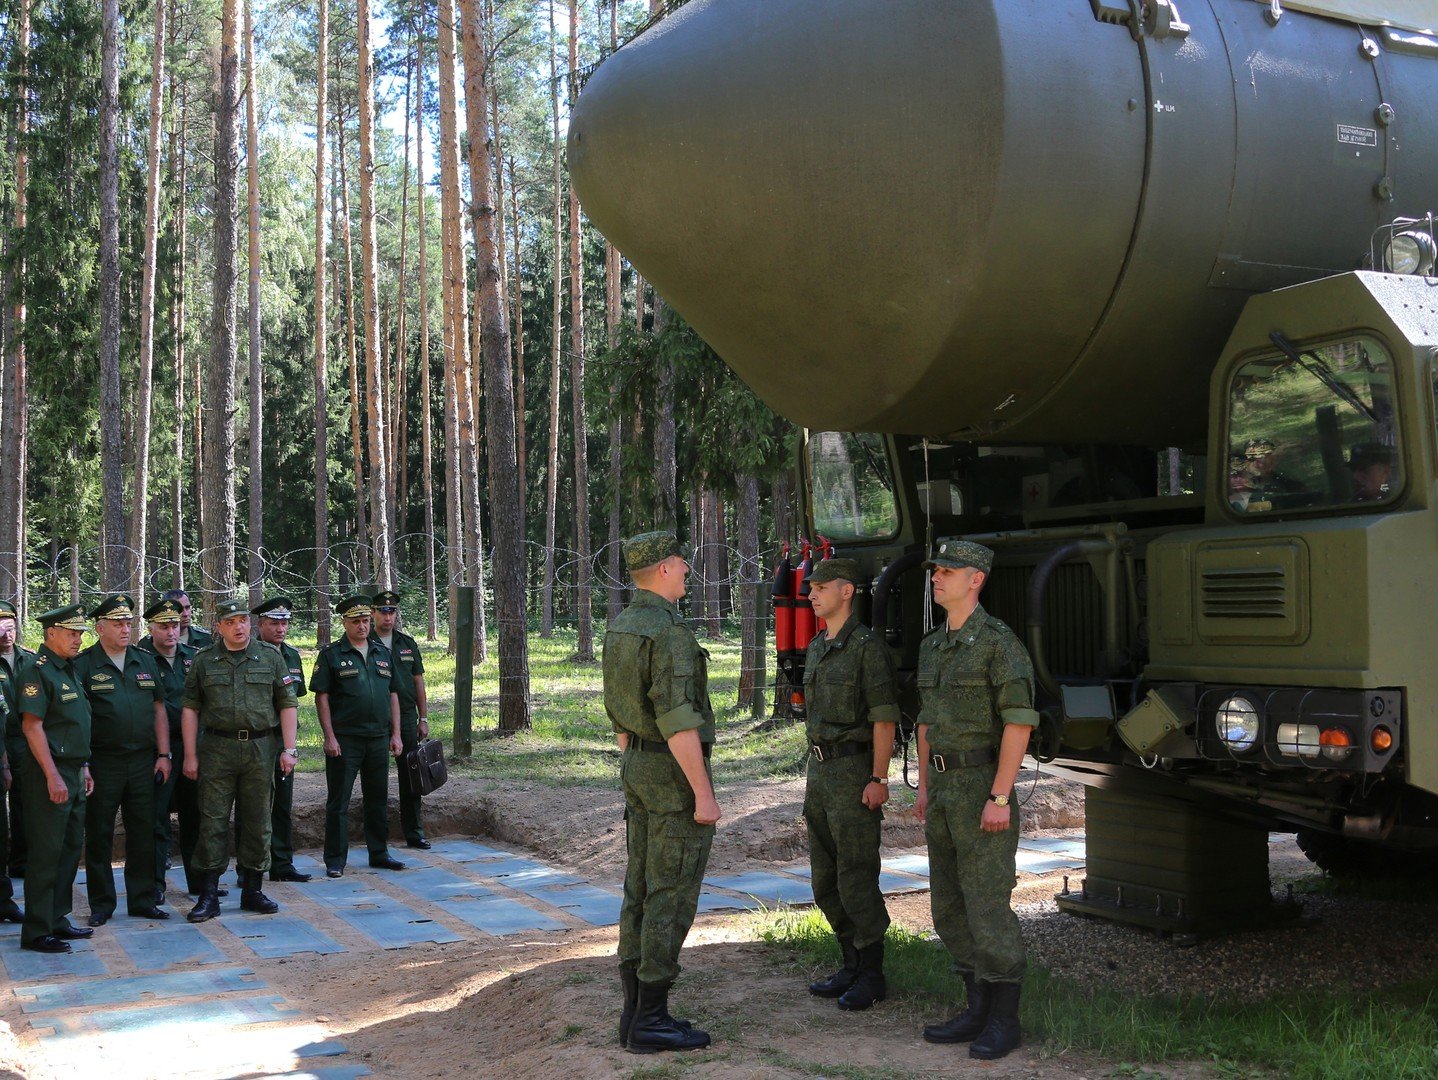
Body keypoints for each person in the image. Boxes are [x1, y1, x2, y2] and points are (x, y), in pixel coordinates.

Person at [916, 540, 1038, 1060]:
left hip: (982, 787)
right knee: (948, 905)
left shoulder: (998, 644)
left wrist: (1000, 795)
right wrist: (923, 785)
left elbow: (1018, 722)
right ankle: (976, 1008)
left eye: (948, 571)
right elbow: (924, 721)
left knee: (987, 906)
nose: (937, 578)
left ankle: (1004, 1020)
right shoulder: (933, 645)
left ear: (976, 580)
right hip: (943, 791)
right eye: (936, 571)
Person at [603, 532, 720, 1055]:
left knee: (640, 888)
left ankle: (633, 1012)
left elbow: (620, 715)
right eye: (683, 563)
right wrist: (703, 793)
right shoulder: (668, 631)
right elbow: (677, 721)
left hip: (637, 765)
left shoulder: (622, 625)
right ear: (666, 569)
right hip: (672, 773)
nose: (688, 571)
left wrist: (634, 754)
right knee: (670, 892)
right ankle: (651, 1017)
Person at [800, 557, 899, 1012]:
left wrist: (878, 778)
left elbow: (883, 718)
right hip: (820, 774)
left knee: (856, 875)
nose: (812, 593)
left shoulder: (866, 648)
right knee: (825, 878)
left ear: (847, 591)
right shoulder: (818, 646)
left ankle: (872, 973)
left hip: (855, 772)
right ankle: (850, 961)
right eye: (810, 588)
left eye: (821, 587)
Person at [181, 597, 298, 922]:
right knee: (213, 820)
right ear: (219, 627)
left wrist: (289, 749)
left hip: (261, 749)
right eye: (231, 622)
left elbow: (287, 703)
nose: (238, 627)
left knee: (258, 820)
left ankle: (253, 890)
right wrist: (190, 754)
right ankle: (208, 894)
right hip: (217, 749)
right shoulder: (204, 660)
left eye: (243, 621)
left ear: (250, 623)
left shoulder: (270, 658)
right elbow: (190, 708)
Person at [74, 594, 170, 926]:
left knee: (143, 830)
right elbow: (79, 718)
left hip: (144, 761)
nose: (125, 629)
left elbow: (158, 709)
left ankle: (143, 899)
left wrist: (164, 754)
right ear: (100, 629)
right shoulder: (85, 665)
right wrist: (84, 763)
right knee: (99, 833)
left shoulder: (144, 661)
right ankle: (102, 904)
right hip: (104, 762)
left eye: (128, 623)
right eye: (118, 624)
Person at [16, 604, 97, 953]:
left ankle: (57, 917)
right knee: (47, 853)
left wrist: (84, 768)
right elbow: (32, 727)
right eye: (72, 632)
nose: (78, 639)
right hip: (49, 772)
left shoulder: (68, 670)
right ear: (51, 633)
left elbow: (73, 726)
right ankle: (36, 930)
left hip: (74, 771)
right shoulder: (38, 672)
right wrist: (53, 776)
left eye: (80, 633)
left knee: (67, 851)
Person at [310, 594, 404, 878]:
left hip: (377, 738)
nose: (362, 626)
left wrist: (396, 734)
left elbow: (393, 695)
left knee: (377, 798)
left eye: (365, 620)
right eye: (356, 621)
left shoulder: (381, 652)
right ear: (344, 623)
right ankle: (335, 860)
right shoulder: (332, 655)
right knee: (339, 801)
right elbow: (322, 698)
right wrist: (329, 736)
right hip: (346, 739)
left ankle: (379, 852)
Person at [137, 596, 201, 901]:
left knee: (195, 816)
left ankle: (199, 882)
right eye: (164, 626)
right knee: (156, 819)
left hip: (192, 747)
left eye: (175, 625)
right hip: (156, 749)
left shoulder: (194, 657)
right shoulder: (140, 659)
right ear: (151, 628)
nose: (171, 632)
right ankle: (155, 886)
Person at [252, 596, 312, 882]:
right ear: (260, 624)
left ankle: (282, 864)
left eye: (285, 623)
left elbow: (293, 699)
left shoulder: (291, 655)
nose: (281, 628)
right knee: (253, 805)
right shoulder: (250, 654)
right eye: (274, 623)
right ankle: (249, 867)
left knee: (283, 804)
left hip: (283, 739)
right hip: (256, 739)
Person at [370, 590, 430, 849]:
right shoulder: (364, 641)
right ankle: (377, 837)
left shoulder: (407, 644)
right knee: (375, 778)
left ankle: (414, 832)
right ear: (373, 613)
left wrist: (423, 717)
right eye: (382, 611)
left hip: (406, 716)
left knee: (411, 776)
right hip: (374, 718)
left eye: (392, 611)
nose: (388, 616)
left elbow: (418, 681)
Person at [1, 599, 35, 907]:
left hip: (26, 738)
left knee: (27, 800)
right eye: (1, 627)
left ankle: (23, 860)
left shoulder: (29, 660)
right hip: (2, 738)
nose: (6, 634)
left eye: (10, 627)